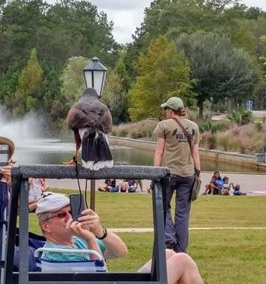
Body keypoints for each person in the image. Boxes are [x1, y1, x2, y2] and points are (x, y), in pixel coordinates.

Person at [35, 193, 203, 283]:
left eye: (70, 212)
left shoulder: (77, 240)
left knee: (167, 254)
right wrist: (91, 240)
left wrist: (100, 232)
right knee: (182, 260)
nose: (68, 217)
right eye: (61, 215)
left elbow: (121, 251)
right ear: (45, 226)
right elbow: (99, 279)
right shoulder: (55, 253)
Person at [153, 97, 201, 253]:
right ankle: (181, 249)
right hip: (188, 174)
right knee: (183, 213)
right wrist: (198, 173)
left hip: (169, 173)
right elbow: (196, 152)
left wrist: (155, 173)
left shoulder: (163, 125)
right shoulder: (194, 127)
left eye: (166, 109)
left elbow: (159, 152)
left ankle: (169, 238)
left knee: (163, 207)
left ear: (169, 110)